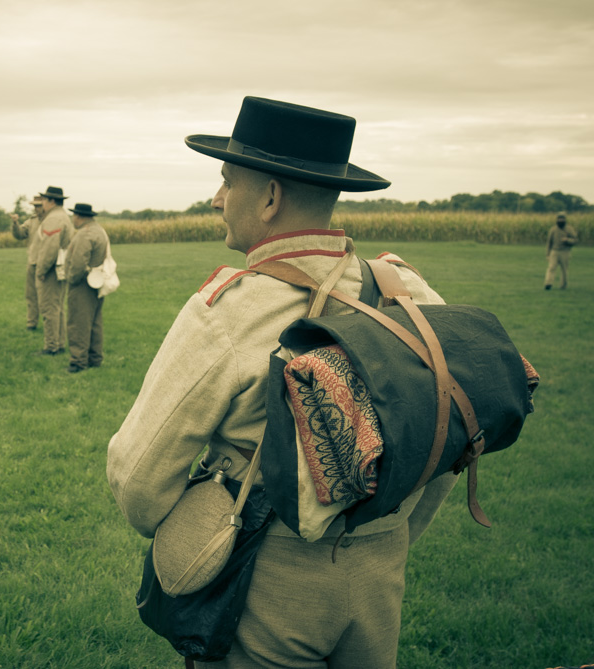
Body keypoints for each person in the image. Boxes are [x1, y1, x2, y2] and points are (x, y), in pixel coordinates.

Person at [107, 96, 460, 668]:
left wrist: (195, 531)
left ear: (269, 197)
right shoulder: (409, 294)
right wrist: (387, 535)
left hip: (264, 578)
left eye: (227, 182)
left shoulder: (229, 309)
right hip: (378, 576)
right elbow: (451, 436)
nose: (217, 199)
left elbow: (138, 479)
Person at [64, 202, 109, 373]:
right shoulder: (100, 231)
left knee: (78, 323)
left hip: (82, 284)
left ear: (80, 216)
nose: (73, 219)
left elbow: (77, 263)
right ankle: (95, 358)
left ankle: (78, 361)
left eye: (74, 215)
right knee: (95, 323)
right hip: (96, 282)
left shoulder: (85, 234)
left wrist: (71, 279)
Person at [33, 185, 73, 354]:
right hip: (60, 268)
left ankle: (51, 346)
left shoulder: (53, 219)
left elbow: (50, 248)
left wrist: (41, 270)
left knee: (49, 309)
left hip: (51, 271)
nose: (41, 203)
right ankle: (59, 343)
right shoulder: (62, 216)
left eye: (44, 199)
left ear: (51, 201)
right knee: (57, 308)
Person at [10, 195, 46, 330]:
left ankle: (50, 325)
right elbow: (19, 234)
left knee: (47, 298)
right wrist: (15, 223)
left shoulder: (51, 220)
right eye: (35, 206)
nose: (36, 209)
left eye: (39, 206)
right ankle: (32, 323)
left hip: (47, 263)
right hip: (32, 262)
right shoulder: (32, 221)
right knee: (31, 295)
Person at [544, 211, 579, 289]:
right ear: (557, 219)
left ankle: (563, 285)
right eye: (559, 219)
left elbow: (575, 240)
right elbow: (549, 242)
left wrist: (567, 240)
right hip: (554, 251)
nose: (560, 220)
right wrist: (547, 254)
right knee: (551, 268)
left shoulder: (569, 229)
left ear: (565, 220)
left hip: (565, 252)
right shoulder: (553, 229)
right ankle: (548, 284)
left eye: (562, 219)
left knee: (564, 270)